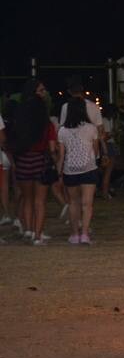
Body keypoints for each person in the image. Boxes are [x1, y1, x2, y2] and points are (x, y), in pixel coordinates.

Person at [7, 80, 57, 245]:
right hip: (40, 160)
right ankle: (37, 235)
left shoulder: (20, 118)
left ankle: (28, 229)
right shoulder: (45, 123)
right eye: (41, 90)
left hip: (23, 160)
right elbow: (50, 146)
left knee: (27, 198)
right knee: (40, 201)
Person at [56, 96, 100, 244]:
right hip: (88, 168)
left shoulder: (62, 131)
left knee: (73, 202)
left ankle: (74, 234)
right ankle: (85, 234)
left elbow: (61, 155)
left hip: (70, 170)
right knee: (87, 203)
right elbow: (96, 150)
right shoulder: (91, 128)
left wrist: (59, 171)